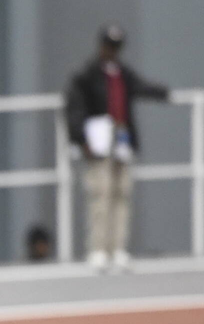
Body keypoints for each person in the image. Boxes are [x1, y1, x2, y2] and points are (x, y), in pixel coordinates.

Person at [66, 23, 169, 272]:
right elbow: (74, 108)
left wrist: (164, 93)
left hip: (122, 136)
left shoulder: (123, 74)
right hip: (99, 139)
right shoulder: (87, 75)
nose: (112, 51)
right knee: (100, 194)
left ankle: (118, 247)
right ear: (101, 46)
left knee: (122, 193)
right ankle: (98, 249)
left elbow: (141, 88)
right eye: (109, 46)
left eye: (116, 47)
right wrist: (80, 139)